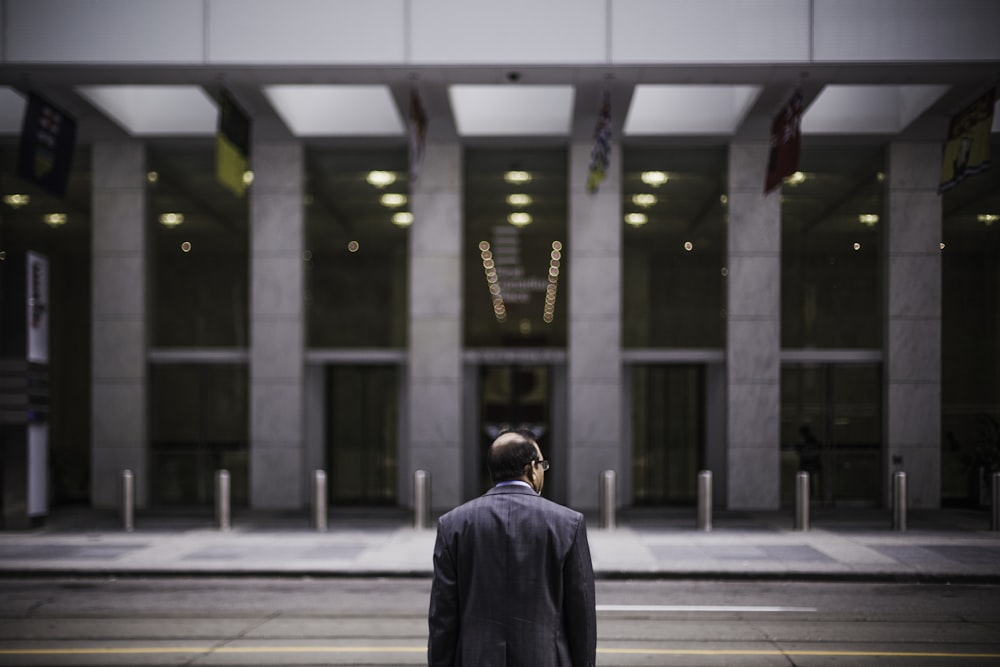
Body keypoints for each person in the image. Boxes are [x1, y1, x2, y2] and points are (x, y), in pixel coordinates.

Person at [428, 429, 597, 667]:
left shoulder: (453, 524)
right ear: (531, 468)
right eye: (542, 465)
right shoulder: (568, 523)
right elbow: (582, 618)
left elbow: (442, 618)